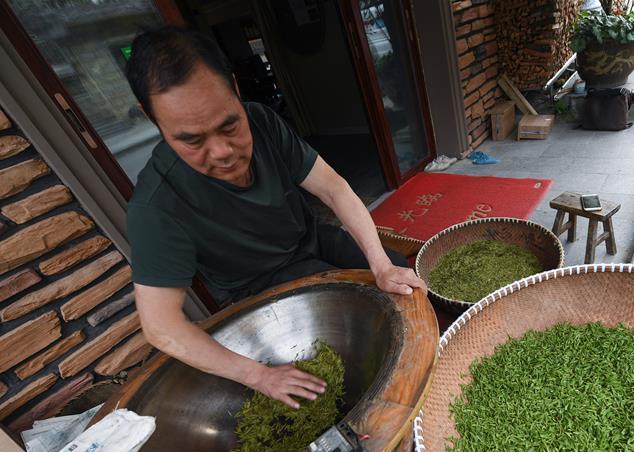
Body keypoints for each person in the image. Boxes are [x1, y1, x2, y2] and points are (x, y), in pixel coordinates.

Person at [124, 27, 426, 409]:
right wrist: (259, 375)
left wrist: (380, 264)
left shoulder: (262, 121)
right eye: (192, 140)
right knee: (354, 339)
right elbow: (160, 327)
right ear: (153, 121)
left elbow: (333, 188)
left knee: (400, 275)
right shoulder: (156, 206)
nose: (221, 152)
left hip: (311, 239)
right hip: (259, 287)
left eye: (229, 125)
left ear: (235, 88)